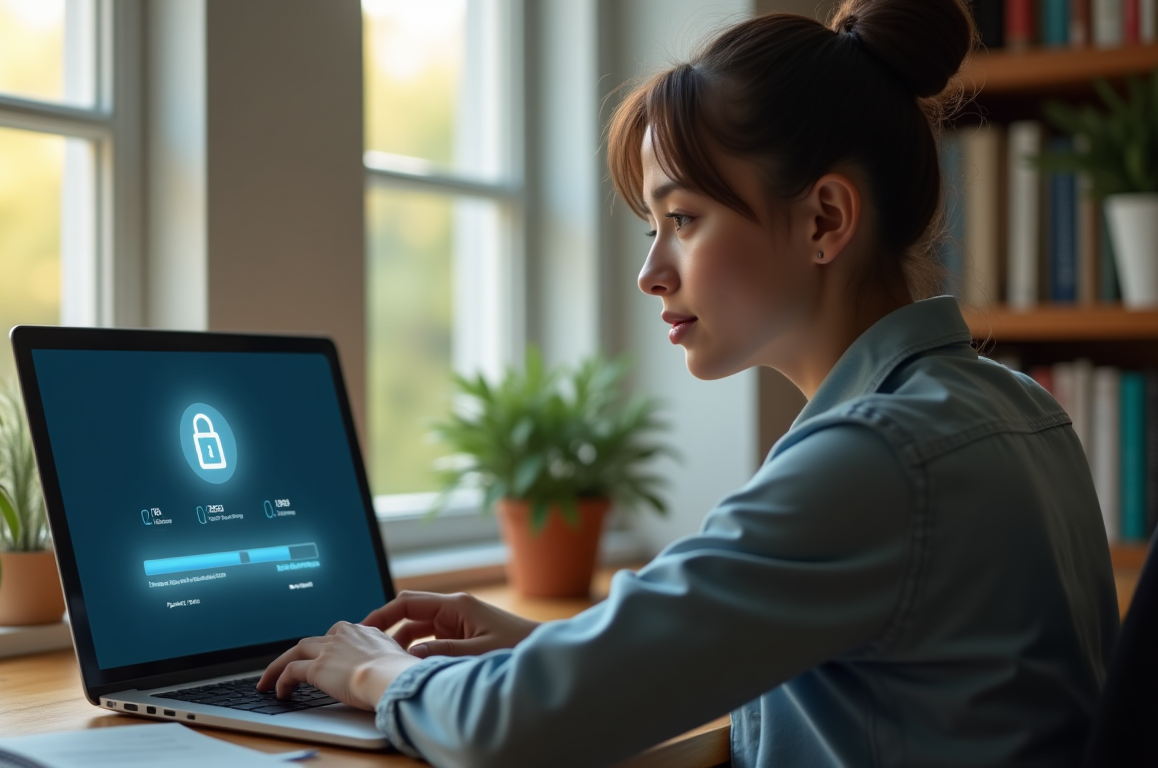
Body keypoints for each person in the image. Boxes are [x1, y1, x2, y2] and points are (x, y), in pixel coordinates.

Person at [258, 0, 1120, 765]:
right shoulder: (1018, 408)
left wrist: (377, 673)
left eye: (683, 220)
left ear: (824, 219)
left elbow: (508, 733)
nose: (652, 274)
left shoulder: (873, 459)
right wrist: (550, 647)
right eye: (651, 227)